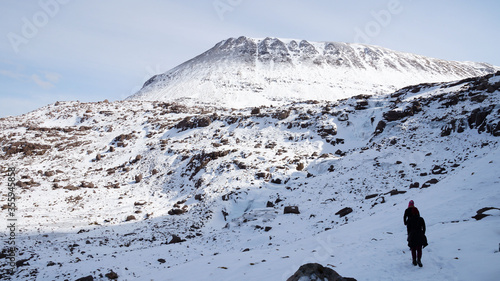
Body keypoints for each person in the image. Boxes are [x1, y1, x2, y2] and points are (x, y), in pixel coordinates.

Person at [404, 200, 428, 267]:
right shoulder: (421, 219)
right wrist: (422, 233)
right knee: (419, 248)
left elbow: (408, 228)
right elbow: (424, 227)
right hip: (420, 234)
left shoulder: (410, 220)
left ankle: (414, 260)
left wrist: (409, 236)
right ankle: (419, 259)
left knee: (413, 248)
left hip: (412, 234)